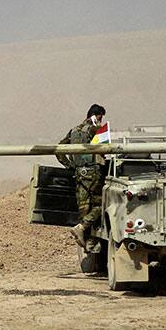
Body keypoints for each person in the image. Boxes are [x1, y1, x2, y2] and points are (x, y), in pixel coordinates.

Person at [57, 104, 106, 247]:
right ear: (96, 116)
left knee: (84, 208)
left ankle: (89, 241)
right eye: (100, 117)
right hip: (93, 173)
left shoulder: (74, 131)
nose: (101, 120)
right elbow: (105, 150)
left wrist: (70, 166)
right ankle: (84, 229)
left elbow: (58, 149)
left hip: (79, 174)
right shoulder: (95, 129)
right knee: (102, 204)